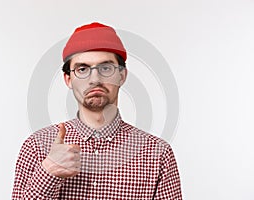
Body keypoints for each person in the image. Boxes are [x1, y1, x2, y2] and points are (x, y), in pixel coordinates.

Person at [12, 22, 182, 199]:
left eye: (106, 68)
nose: (95, 79)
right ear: (68, 79)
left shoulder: (157, 153)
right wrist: (48, 172)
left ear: (122, 76)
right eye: (82, 69)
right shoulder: (37, 147)